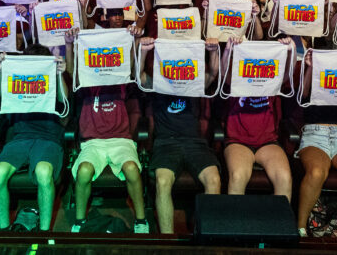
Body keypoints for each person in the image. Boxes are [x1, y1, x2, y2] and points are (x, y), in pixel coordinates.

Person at [65, 19, 149, 234]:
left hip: (121, 140)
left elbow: (131, 68)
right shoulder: (86, 83)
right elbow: (72, 71)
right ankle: (80, 221)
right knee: (84, 171)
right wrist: (69, 44)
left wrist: (134, 40)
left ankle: (141, 220)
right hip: (93, 142)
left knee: (132, 169)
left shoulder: (120, 81)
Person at [139, 36, 221, 234]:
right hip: (166, 143)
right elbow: (139, 76)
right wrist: (143, 51)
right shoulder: (158, 83)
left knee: (214, 180)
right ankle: (167, 239)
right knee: (162, 181)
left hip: (195, 143)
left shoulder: (195, 82)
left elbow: (213, 73)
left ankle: (206, 236)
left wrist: (213, 51)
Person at [0, 43, 68, 232]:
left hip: (48, 138)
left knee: (43, 172)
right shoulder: (18, 76)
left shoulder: (51, 77)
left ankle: (44, 231)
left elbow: (63, 102)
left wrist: (59, 74)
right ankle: (5, 231)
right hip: (20, 138)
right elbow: (2, 94)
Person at [220, 36, 294, 202]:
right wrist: (228, 49)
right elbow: (223, 73)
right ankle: (236, 219)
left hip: (267, 142)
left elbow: (287, 74)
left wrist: (291, 51)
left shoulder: (271, 79)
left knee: (284, 178)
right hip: (238, 141)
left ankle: (279, 220)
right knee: (238, 176)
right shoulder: (236, 78)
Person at [296, 49, 337, 237]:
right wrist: (310, 68)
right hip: (315, 135)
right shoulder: (315, 62)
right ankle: (300, 229)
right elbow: (302, 97)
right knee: (317, 172)